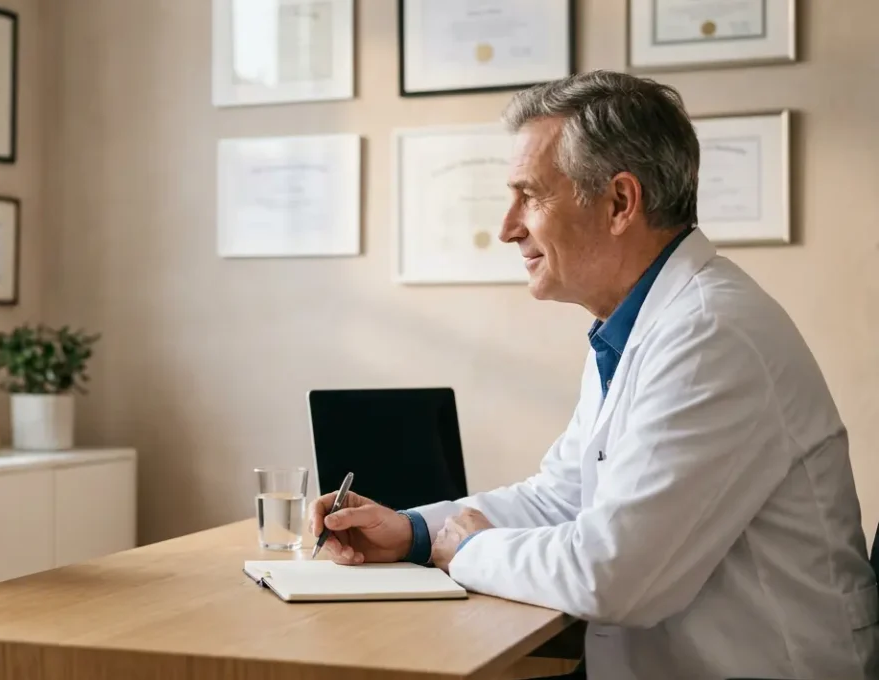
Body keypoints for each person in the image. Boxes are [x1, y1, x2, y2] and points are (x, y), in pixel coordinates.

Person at [311, 70, 878, 680]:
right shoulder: (639, 322)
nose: (507, 226)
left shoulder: (710, 334)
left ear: (619, 203)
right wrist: (414, 532)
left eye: (530, 195)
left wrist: (470, 550)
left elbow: (613, 577)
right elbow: (562, 496)